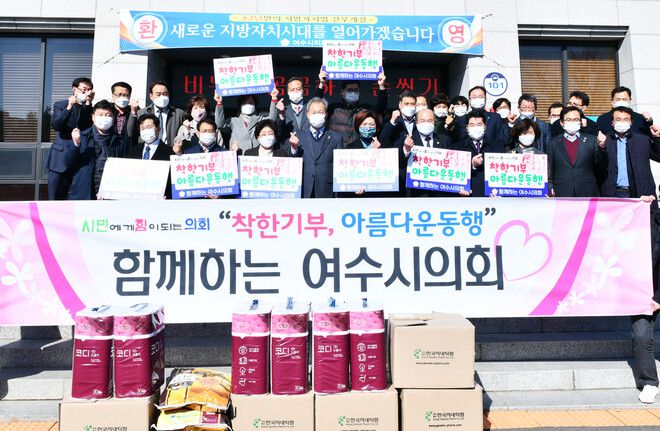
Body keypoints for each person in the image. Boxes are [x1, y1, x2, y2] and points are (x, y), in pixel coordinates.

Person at [598, 109, 660, 404]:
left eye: (626, 117)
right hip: (615, 202)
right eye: (617, 118)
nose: (621, 122)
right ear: (611, 123)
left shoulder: (642, 139)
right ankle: (649, 380)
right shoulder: (604, 141)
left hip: (642, 201)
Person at [65, 100, 130, 200]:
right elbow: (68, 162)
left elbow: (124, 171)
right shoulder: (82, 137)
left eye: (108, 115)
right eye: (100, 115)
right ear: (93, 117)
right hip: (83, 194)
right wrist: (75, 144)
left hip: (109, 196)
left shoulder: (120, 141)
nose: (104, 118)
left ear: (113, 118)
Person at [47, 77, 95, 200]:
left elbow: (87, 126)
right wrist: (69, 106)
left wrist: (88, 104)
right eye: (84, 89)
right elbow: (56, 125)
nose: (87, 92)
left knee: (75, 198)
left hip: (80, 157)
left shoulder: (89, 108)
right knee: (55, 197)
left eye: (89, 90)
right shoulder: (61, 105)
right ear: (74, 90)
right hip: (59, 159)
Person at [286, 97, 343, 198]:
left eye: (320, 112)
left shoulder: (336, 137)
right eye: (314, 112)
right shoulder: (298, 136)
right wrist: (294, 148)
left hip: (327, 189)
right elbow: (292, 164)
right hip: (304, 188)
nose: (317, 115)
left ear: (326, 114)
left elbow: (340, 167)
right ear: (308, 114)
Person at [546, 106, 605, 197]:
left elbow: (600, 167)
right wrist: (550, 187)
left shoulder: (592, 140)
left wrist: (602, 148)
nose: (572, 122)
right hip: (561, 190)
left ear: (580, 122)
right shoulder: (553, 143)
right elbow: (549, 168)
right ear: (562, 123)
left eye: (576, 119)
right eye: (568, 120)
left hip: (587, 189)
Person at [316, 70, 388, 146]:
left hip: (357, 149)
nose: (353, 92)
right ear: (342, 91)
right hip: (337, 149)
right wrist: (321, 84)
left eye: (356, 90)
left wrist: (381, 86)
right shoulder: (334, 108)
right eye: (350, 90)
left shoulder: (364, 109)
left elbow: (381, 108)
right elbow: (316, 105)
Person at [397, 108, 454, 197]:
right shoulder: (407, 140)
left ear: (434, 122)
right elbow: (399, 163)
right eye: (422, 121)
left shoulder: (445, 140)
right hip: (416, 193)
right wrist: (406, 150)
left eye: (429, 121)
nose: (426, 123)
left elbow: (453, 166)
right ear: (416, 123)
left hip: (439, 193)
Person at [453, 110, 504, 197]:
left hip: (490, 197)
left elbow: (501, 172)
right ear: (467, 127)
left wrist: (499, 190)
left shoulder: (496, 146)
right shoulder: (458, 147)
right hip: (468, 196)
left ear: (485, 126)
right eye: (472, 125)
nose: (475, 127)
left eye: (479, 124)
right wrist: (472, 165)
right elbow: (454, 173)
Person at [216, 88, 279, 154]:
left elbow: (272, 119)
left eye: (251, 103)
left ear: (255, 105)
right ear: (240, 106)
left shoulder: (260, 119)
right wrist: (219, 103)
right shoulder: (233, 121)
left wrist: (274, 98)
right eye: (244, 103)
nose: (248, 105)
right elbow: (220, 124)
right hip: (238, 155)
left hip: (256, 156)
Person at [136, 81, 185, 146]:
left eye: (165, 94)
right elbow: (135, 134)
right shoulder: (142, 112)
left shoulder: (179, 114)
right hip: (150, 149)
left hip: (171, 149)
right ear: (151, 96)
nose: (162, 97)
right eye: (158, 94)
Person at [110, 81, 139, 146]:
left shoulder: (137, 111)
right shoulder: (107, 110)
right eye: (119, 94)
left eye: (126, 95)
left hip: (130, 147)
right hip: (110, 146)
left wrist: (134, 113)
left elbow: (135, 132)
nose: (122, 97)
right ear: (113, 96)